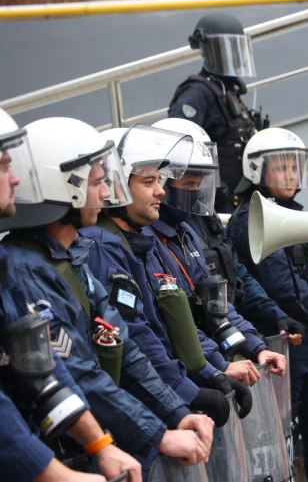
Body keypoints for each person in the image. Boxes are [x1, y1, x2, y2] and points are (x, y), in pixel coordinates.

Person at [0, 117, 214, 477]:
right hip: (64, 447)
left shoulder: (73, 256)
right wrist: (157, 433)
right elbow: (75, 371)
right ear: (62, 187)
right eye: (98, 183)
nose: (106, 195)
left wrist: (177, 412)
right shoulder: (25, 270)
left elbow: (123, 345)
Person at [0, 108, 141, 482]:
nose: (15, 178)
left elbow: (41, 368)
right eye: (2, 166)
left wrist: (100, 445)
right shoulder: (22, 266)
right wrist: (59, 474)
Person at [80, 125, 236, 428]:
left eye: (160, 180)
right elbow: (136, 336)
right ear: (116, 187)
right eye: (148, 181)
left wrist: (213, 372)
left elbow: (172, 323)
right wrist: (188, 392)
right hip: (142, 408)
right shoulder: (101, 249)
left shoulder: (142, 244)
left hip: (162, 395)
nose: (161, 191)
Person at [228, 127, 308, 482]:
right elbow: (281, 286)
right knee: (278, 437)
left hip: (307, 340)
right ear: (257, 171)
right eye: (280, 167)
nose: (290, 174)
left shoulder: (296, 215)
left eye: (294, 166)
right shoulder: (251, 219)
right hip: (277, 342)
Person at [144, 118, 286, 383]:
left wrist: (256, 346)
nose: (195, 193)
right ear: (162, 183)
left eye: (199, 185)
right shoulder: (147, 242)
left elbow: (216, 302)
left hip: (211, 362)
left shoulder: (185, 232)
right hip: (189, 374)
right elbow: (174, 323)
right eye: (188, 185)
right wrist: (219, 365)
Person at [168, 12, 268, 212]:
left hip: (243, 200)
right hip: (217, 205)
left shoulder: (229, 90)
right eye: (225, 48)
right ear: (206, 50)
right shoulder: (196, 95)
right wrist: (216, 196)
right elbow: (180, 150)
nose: (233, 56)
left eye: (236, 48)